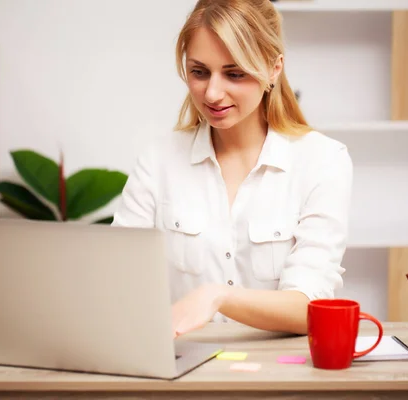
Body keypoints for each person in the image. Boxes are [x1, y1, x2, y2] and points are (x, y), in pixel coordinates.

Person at [112, 0, 353, 338]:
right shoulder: (158, 161)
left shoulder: (322, 161)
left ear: (273, 68)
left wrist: (218, 296)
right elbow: (116, 280)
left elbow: (309, 307)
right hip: (181, 372)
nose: (212, 92)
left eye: (234, 73)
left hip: (281, 374)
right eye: (199, 72)